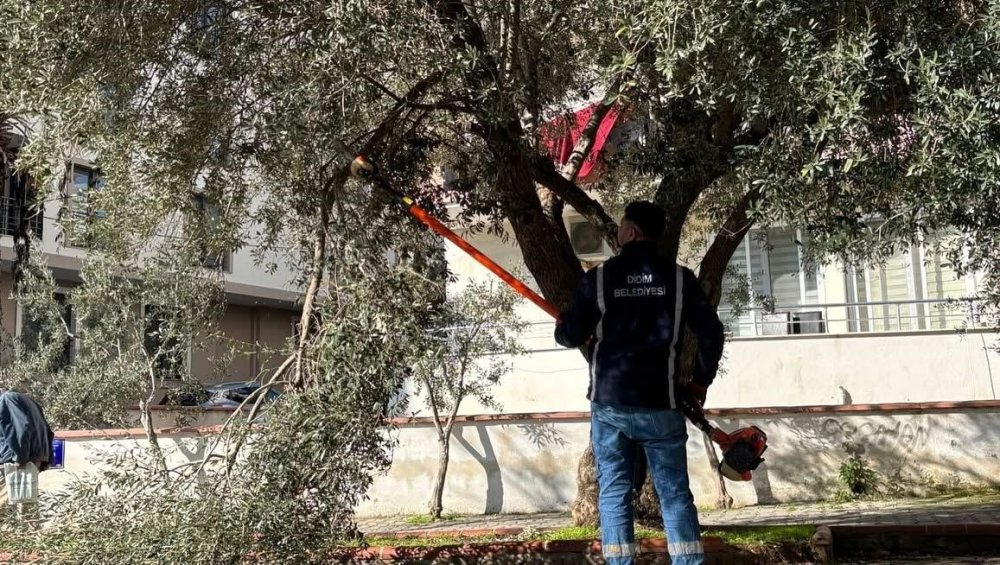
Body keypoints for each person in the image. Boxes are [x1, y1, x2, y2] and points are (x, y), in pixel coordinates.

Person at [554, 201, 725, 565]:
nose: (617, 232)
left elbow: (570, 336)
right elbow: (712, 332)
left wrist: (563, 324)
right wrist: (700, 380)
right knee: (675, 494)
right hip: (660, 406)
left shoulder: (598, 280)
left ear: (631, 232)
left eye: (620, 227)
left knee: (614, 492)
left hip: (610, 407)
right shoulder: (680, 280)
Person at [0, 387, 54, 522]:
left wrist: (20, 457)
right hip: (28, 460)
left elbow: (20, 427)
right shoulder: (28, 401)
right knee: (26, 503)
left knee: (9, 506)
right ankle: (28, 538)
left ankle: (12, 538)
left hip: (12, 462)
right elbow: (48, 430)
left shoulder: (7, 399)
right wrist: (46, 458)